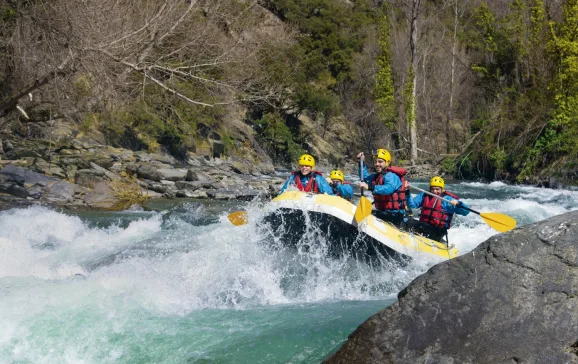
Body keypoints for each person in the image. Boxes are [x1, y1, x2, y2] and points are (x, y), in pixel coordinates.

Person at [405, 176, 470, 243]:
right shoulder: (425, 195)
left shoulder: (447, 200)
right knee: (407, 220)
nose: (434, 191)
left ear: (442, 189)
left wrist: (459, 204)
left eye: (437, 189)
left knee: (412, 224)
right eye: (432, 189)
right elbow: (412, 204)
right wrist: (407, 191)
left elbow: (466, 212)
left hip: (438, 231)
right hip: (424, 227)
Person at [357, 149, 408, 228]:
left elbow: (388, 189)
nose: (377, 164)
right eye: (375, 162)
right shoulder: (377, 176)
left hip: (395, 215)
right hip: (384, 212)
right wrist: (361, 163)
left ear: (387, 162)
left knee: (370, 215)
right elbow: (365, 178)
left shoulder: (391, 175)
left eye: (380, 162)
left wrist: (370, 187)